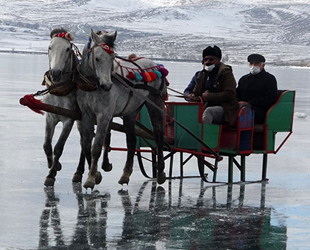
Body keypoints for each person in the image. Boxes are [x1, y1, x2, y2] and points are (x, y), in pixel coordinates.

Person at [184, 45, 239, 126]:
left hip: (225, 108)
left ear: (218, 60)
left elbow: (229, 93)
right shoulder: (202, 74)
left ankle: (204, 137)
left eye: (211, 59)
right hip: (205, 105)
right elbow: (196, 91)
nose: (207, 62)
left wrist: (209, 96)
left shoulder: (226, 73)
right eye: (205, 59)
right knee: (184, 111)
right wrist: (193, 95)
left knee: (208, 112)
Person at [237, 54, 278, 124]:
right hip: (242, 108)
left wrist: (250, 103)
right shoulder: (244, 79)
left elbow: (271, 98)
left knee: (242, 109)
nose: (253, 65)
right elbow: (237, 94)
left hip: (259, 111)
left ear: (263, 65)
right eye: (251, 63)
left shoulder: (269, 79)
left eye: (257, 63)